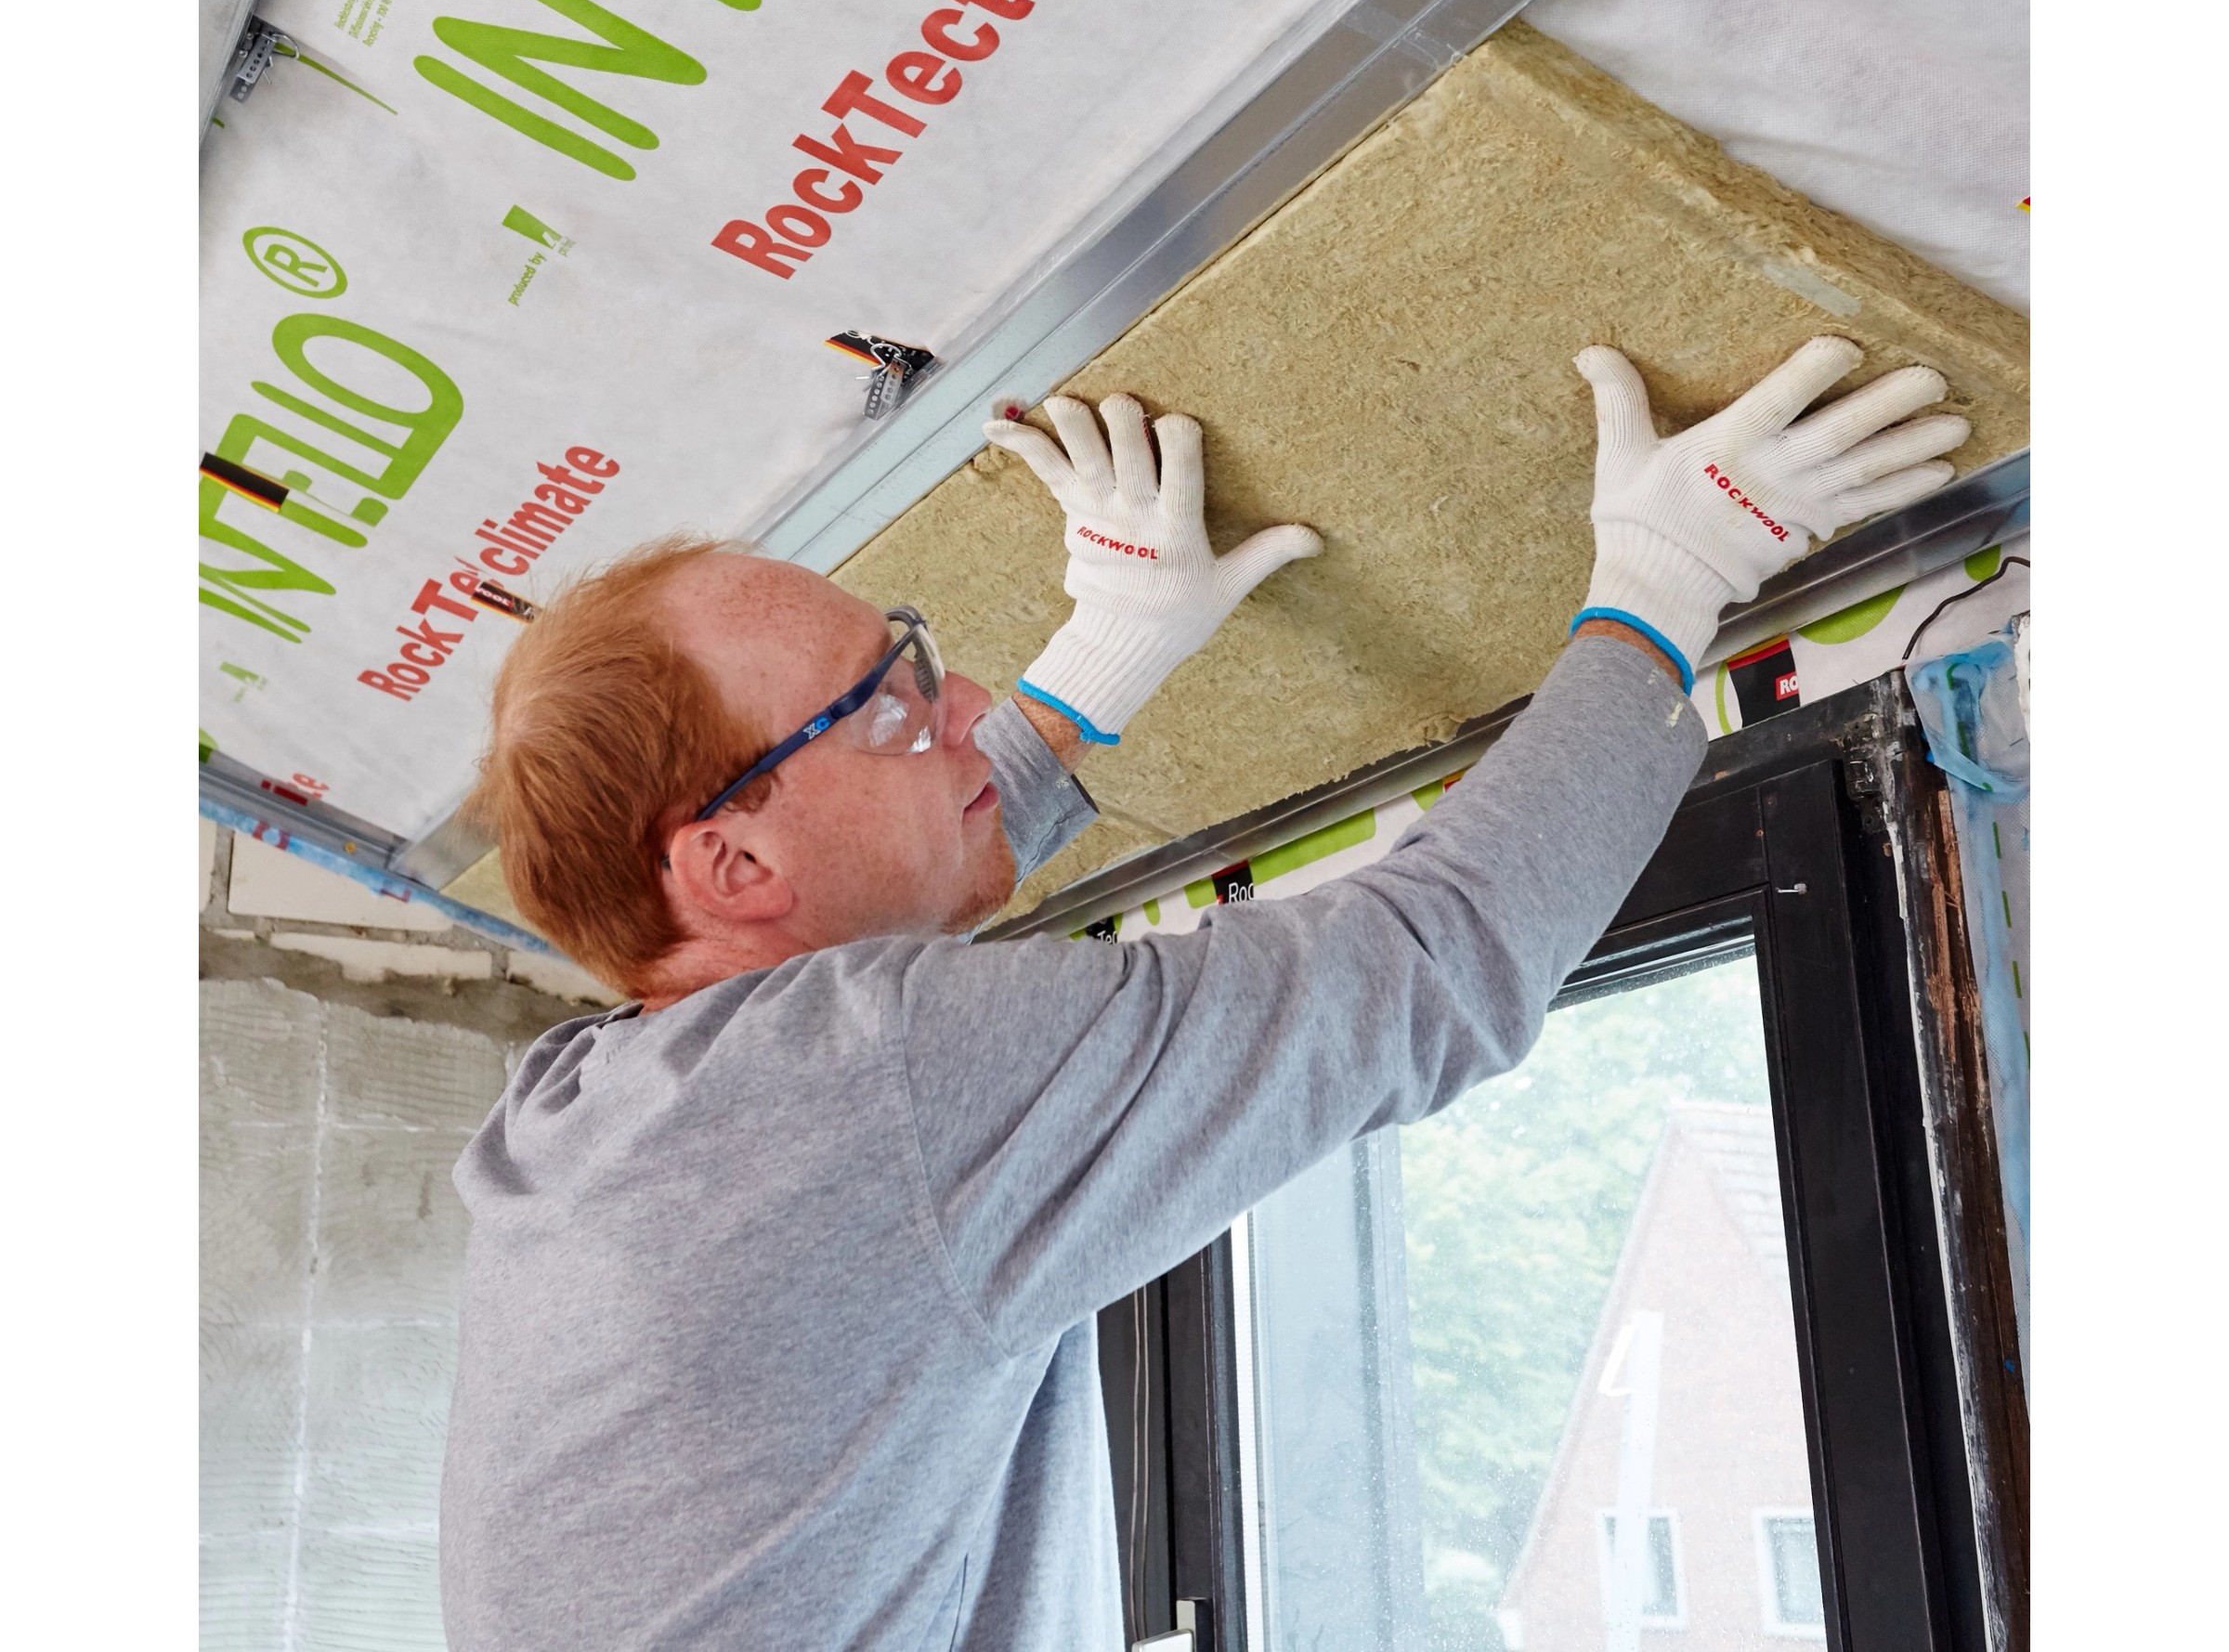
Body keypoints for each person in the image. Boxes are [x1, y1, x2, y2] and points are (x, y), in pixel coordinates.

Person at [439, 336, 1966, 1648]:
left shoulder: (586, 1113)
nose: (963, 703)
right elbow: (1430, 968)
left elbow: (853, 940)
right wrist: (1668, 578)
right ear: (729, 866)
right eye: (890, 706)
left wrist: (1106, 651)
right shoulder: (851, 1087)